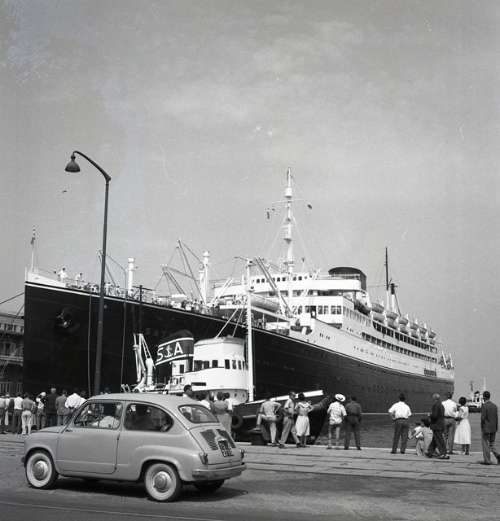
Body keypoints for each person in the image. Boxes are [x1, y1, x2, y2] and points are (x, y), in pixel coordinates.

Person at [426, 393, 449, 459]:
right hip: (441, 424)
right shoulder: (441, 405)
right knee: (435, 439)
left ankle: (443, 454)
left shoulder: (435, 405)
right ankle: (430, 452)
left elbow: (435, 416)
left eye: (433, 398)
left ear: (434, 398)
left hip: (436, 425)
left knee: (439, 440)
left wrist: (430, 415)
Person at [480, 390, 499, 465]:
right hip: (494, 428)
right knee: (492, 444)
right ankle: (498, 455)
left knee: (485, 444)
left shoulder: (484, 406)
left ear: (484, 397)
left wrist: (482, 427)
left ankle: (487, 460)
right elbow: (496, 418)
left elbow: (483, 418)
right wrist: (496, 428)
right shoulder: (495, 406)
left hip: (486, 428)